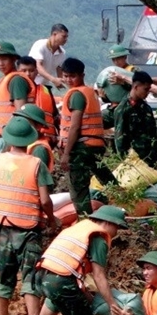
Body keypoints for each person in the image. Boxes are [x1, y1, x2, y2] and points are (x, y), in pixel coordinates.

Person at [30, 205, 128, 315]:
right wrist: (112, 305)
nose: (116, 232)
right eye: (117, 227)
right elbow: (99, 275)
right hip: (61, 280)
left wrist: (84, 294)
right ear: (107, 222)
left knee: (56, 300)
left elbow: (73, 267)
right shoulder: (98, 237)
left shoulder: (79, 227)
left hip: (42, 275)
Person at [0, 116, 53, 315]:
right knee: (30, 278)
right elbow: (46, 200)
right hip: (29, 230)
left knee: (4, 277)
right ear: (29, 139)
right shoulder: (36, 164)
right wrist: (52, 220)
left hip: (4, 228)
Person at [56, 58, 109, 208]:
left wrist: (66, 153)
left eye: (73, 76)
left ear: (82, 75)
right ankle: (127, 204)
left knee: (79, 190)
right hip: (96, 145)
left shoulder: (76, 95)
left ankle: (85, 221)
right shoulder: (90, 93)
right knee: (106, 178)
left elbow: (74, 127)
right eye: (66, 76)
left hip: (81, 147)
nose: (69, 80)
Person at [113, 70, 157, 164]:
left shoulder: (146, 108)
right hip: (134, 162)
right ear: (136, 87)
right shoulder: (123, 109)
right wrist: (125, 162)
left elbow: (154, 135)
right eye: (145, 89)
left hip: (150, 161)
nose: (148, 93)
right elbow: (120, 141)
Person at [0, 43, 31, 134]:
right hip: (5, 134)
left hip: (13, 135)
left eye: (4, 59)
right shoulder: (6, 79)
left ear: (14, 59)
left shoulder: (16, 80)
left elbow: (21, 115)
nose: (0, 63)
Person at [16, 56, 57, 137]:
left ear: (36, 72)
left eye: (31, 70)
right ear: (18, 71)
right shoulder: (17, 89)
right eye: (24, 71)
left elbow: (55, 115)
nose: (27, 74)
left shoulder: (46, 90)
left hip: (47, 136)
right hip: (27, 136)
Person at [29, 24, 68, 90]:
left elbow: (60, 70)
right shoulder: (40, 45)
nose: (66, 39)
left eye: (66, 37)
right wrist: (53, 79)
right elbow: (38, 66)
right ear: (54, 34)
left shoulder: (62, 53)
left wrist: (61, 82)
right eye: (63, 36)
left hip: (44, 86)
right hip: (31, 83)